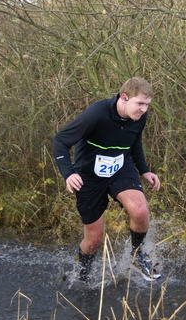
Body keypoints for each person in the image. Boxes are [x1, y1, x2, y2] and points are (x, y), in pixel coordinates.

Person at [52, 77, 161, 282]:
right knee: (93, 239)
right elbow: (60, 140)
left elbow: (134, 142)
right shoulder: (97, 114)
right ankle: (82, 276)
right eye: (140, 104)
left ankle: (137, 257)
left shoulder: (139, 117)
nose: (143, 110)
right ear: (124, 97)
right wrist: (69, 173)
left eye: (147, 105)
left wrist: (144, 170)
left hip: (120, 167)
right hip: (88, 175)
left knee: (140, 210)